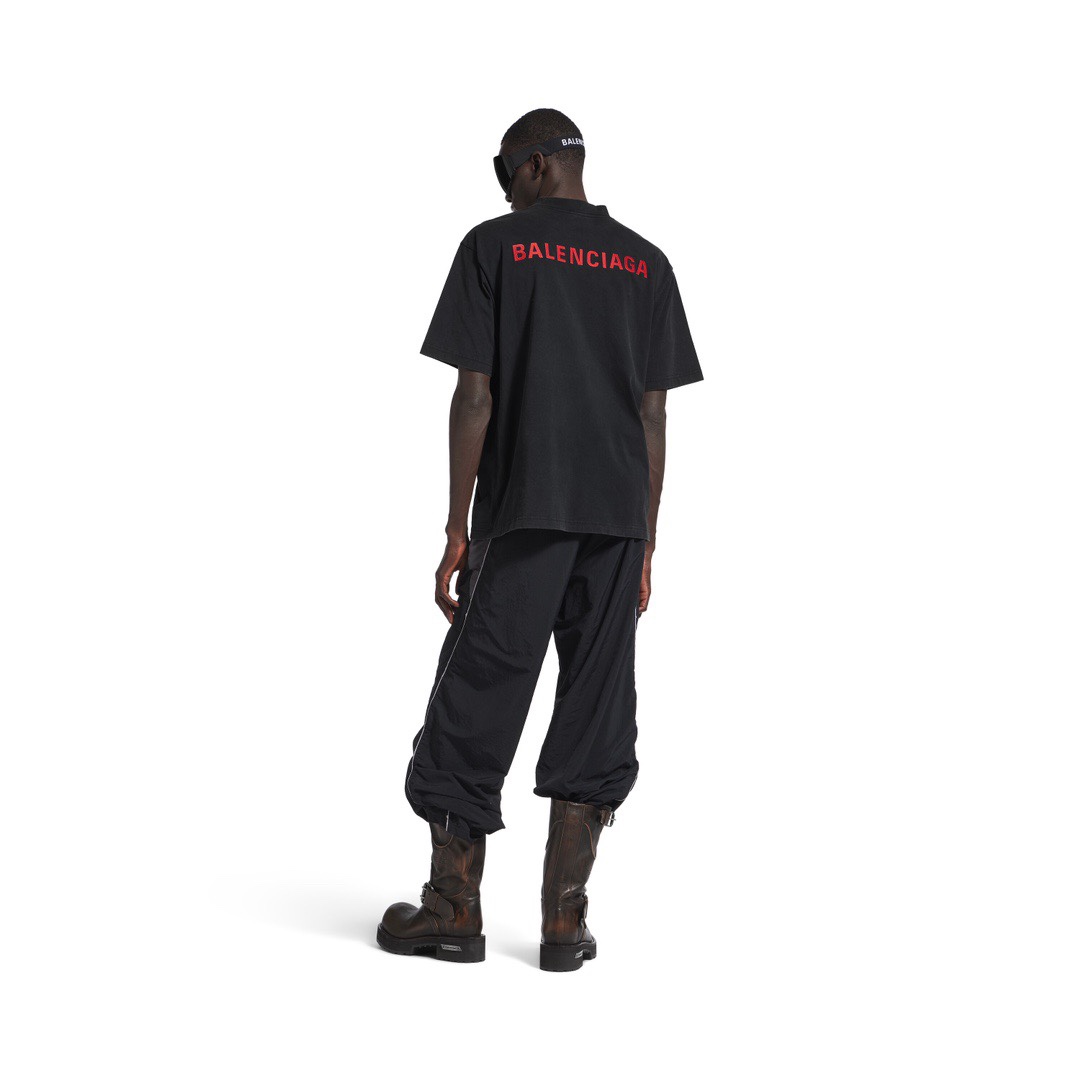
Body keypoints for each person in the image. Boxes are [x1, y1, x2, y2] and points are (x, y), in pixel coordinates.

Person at [377, 108, 703, 971]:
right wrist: (647, 541)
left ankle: (453, 908)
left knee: (477, 695)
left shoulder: (495, 248)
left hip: (524, 512)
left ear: (532, 167)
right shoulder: (647, 262)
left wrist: (457, 528)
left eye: (503, 173)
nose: (503, 193)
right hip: (617, 524)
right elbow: (654, 415)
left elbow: (474, 397)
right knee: (599, 705)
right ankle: (565, 923)